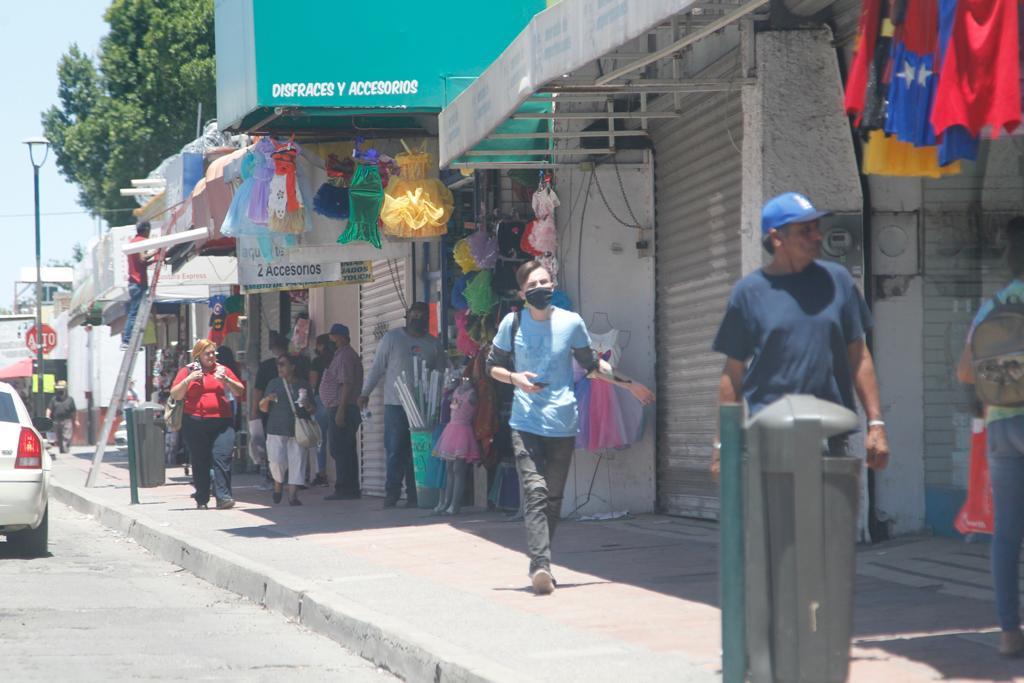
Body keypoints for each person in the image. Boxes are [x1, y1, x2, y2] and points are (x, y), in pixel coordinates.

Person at [486, 261, 655, 595]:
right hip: (525, 422)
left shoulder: (571, 323)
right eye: (532, 284)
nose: (539, 288)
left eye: (544, 282)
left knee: (552, 499)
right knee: (535, 492)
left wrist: (630, 384)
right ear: (521, 293)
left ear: (553, 285)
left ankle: (542, 562)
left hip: (563, 423)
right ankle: (541, 566)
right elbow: (492, 367)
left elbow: (593, 366)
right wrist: (515, 378)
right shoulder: (513, 322)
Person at [711, 191, 890, 473]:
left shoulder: (838, 281)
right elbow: (733, 372)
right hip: (769, 436)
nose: (817, 236)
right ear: (777, 238)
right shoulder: (749, 293)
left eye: (817, 228)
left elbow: (859, 357)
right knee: (773, 517)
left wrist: (876, 424)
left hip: (830, 436)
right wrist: (723, 447)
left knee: (831, 516)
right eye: (805, 230)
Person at [957, 216, 1024, 657]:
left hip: (1002, 425)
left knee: (1007, 534)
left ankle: (1007, 633)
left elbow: (965, 370)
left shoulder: (995, 303)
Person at [359, 302, 445, 508]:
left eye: (422, 315)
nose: (418, 317)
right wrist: (364, 393)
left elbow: (441, 373)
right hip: (395, 405)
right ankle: (392, 493)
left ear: (427, 319)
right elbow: (377, 368)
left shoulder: (433, 344)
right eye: (413, 314)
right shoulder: (392, 339)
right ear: (407, 316)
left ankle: (416, 495)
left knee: (418, 452)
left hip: (423, 408)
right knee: (396, 449)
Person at [170, 339, 245, 510]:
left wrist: (226, 380)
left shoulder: (222, 370)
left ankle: (223, 497)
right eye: (207, 353)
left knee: (222, 457)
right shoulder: (187, 371)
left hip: (222, 422)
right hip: (195, 423)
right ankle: (202, 497)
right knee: (200, 460)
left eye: (213, 353)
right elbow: (175, 394)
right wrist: (188, 379)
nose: (211, 356)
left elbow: (240, 390)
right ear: (198, 355)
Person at [259, 354, 314, 506]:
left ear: (292, 367)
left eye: (283, 364)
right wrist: (267, 399)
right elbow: (263, 408)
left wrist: (307, 403)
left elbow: (312, 409)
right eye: (278, 365)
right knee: (276, 460)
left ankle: (293, 496)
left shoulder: (303, 385)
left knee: (298, 461)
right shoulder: (274, 383)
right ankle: (278, 486)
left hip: (298, 429)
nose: (280, 367)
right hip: (275, 428)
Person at [320, 324, 363, 501]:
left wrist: (341, 411)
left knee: (342, 449)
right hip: (338, 407)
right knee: (341, 449)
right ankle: (347, 487)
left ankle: (345, 488)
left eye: (334, 337)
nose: (331, 341)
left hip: (342, 408)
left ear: (342, 337)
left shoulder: (345, 356)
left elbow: (346, 384)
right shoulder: (340, 356)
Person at [122, 221, 155, 349]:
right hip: (138, 282)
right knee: (135, 313)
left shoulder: (133, 242)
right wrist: (157, 252)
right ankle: (127, 340)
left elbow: (140, 262)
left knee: (134, 313)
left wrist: (154, 259)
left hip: (133, 282)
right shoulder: (142, 241)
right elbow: (142, 258)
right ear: (146, 230)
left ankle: (130, 340)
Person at [308, 334, 336, 487]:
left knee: (320, 440)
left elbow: (312, 384)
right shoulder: (336, 360)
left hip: (320, 401)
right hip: (336, 400)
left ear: (320, 346)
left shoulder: (316, 362)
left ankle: (322, 473)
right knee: (336, 437)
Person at [46, 380, 78, 455]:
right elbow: (49, 409)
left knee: (66, 436)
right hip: (57, 421)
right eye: (59, 389)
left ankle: (65, 449)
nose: (60, 391)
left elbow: (74, 411)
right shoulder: (54, 399)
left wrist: (76, 420)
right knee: (59, 436)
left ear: (65, 389)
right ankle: (62, 449)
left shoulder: (70, 399)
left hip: (67, 420)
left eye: (62, 389)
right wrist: (47, 417)